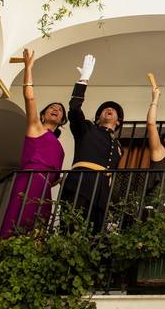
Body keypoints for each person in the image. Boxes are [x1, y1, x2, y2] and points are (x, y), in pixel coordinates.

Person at [0, 49, 67, 237]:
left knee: (37, 230)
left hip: (44, 190)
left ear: (62, 120)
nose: (56, 109)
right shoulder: (36, 128)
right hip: (27, 182)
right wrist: (28, 68)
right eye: (52, 107)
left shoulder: (60, 148)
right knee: (17, 222)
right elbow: (30, 97)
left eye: (60, 110)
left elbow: (53, 180)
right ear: (43, 114)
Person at [59, 54, 124, 230]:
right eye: (104, 109)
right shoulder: (87, 128)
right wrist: (83, 79)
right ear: (97, 119)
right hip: (80, 183)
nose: (109, 109)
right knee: (71, 228)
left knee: (95, 235)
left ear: (118, 121)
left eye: (113, 110)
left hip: (101, 190)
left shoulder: (118, 147)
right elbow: (74, 110)